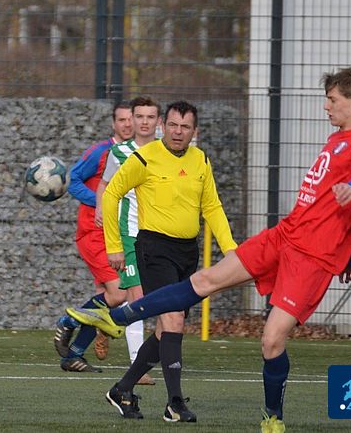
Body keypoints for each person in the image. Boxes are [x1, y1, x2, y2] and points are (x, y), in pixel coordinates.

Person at [68, 67, 351, 433]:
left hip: (312, 256)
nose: (326, 106)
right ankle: (125, 325)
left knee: (270, 341)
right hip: (279, 235)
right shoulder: (336, 138)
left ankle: (272, 417)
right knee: (201, 286)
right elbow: (347, 212)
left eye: (332, 100)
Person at [82, 100, 237, 423]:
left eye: (185, 127)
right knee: (173, 320)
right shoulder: (144, 157)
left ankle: (122, 388)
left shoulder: (200, 160)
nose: (178, 132)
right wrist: (114, 245)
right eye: (173, 125)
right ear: (162, 126)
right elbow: (111, 193)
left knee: (166, 329)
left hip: (186, 252)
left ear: (195, 131)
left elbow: (212, 207)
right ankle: (174, 403)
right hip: (153, 249)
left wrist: (232, 250)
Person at [52, 102, 134, 373]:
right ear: (113, 124)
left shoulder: (138, 153)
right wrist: (100, 203)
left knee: (106, 299)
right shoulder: (101, 152)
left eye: (131, 119)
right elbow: (72, 179)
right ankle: (68, 322)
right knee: (119, 293)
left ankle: (73, 355)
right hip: (94, 232)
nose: (127, 124)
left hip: (118, 235)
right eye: (122, 120)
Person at [92, 96, 162, 386]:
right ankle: (138, 366)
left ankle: (110, 321)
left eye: (150, 117)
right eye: (139, 116)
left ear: (159, 121)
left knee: (160, 301)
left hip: (160, 237)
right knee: (138, 298)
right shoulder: (119, 152)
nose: (144, 122)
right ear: (131, 119)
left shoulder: (165, 152)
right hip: (130, 235)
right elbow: (105, 185)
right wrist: (100, 207)